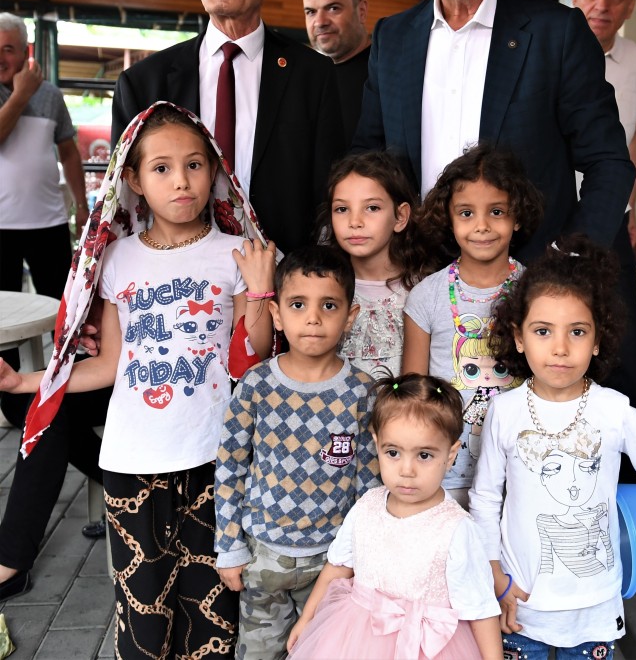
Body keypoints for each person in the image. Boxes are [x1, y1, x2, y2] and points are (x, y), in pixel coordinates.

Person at [1, 102, 276, 658]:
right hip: (131, 465)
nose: (182, 181)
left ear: (214, 170)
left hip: (215, 462)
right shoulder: (117, 259)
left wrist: (261, 288)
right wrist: (23, 383)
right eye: (162, 168)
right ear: (132, 178)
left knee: (213, 616)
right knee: (143, 615)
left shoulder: (236, 255)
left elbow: (255, 357)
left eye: (195, 165)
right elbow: (109, 366)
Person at [352, 0, 635, 264]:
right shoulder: (392, 38)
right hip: (417, 276)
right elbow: (369, 159)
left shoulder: (557, 33)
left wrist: (567, 262)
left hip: (530, 280)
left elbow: (608, 162)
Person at [469, 235, 636, 659]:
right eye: (543, 331)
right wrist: (494, 573)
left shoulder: (614, 411)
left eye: (577, 332)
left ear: (596, 339)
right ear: (519, 337)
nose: (560, 348)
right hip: (522, 603)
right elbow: (485, 498)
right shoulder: (505, 411)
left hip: (595, 605)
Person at [112, 0, 344, 253]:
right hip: (174, 271)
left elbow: (329, 189)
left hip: (284, 268)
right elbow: (125, 203)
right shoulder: (142, 83)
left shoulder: (314, 75)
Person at [214, 245, 380, 660]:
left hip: (332, 563)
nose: (313, 318)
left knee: (326, 652)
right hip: (262, 556)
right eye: (298, 304)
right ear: (276, 314)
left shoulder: (363, 392)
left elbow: (369, 484)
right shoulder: (255, 385)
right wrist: (229, 546)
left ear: (350, 316)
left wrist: (363, 555)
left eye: (329, 305)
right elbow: (230, 467)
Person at [287, 373, 504, 660]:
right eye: (393, 453)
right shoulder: (366, 506)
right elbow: (337, 568)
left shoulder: (457, 528)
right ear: (377, 444)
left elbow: (481, 610)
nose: (406, 470)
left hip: (427, 648)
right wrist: (307, 619)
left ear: (451, 454)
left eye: (424, 455)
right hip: (354, 640)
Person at [0, 11, 103, 599]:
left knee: (63, 334)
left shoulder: (51, 94)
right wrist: (19, 94)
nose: (4, 57)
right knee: (30, 383)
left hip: (43, 223)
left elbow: (68, 151)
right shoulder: (24, 92)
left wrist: (81, 204)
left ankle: (115, 476)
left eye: (10, 48)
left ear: (25, 49)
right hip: (0, 225)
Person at [402, 146, 543, 505]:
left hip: (521, 470)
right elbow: (414, 392)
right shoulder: (426, 296)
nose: (481, 226)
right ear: (449, 219)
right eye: (466, 213)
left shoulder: (538, 293)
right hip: (446, 471)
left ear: (517, 217)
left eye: (496, 211)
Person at [573, 0, 636, 415]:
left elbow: (634, 134)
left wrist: (632, 205)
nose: (601, 4)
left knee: (627, 340)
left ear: (631, 5)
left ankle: (624, 443)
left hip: (610, 216)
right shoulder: (551, 49)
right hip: (556, 212)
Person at [317, 151, 423, 379]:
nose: (355, 222)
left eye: (372, 208)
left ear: (400, 217)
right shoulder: (320, 288)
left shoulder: (423, 290)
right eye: (342, 209)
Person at [303, 0, 371, 145]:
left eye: (333, 8)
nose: (320, 22)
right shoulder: (305, 77)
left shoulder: (385, 72)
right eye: (311, 12)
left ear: (361, 11)